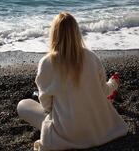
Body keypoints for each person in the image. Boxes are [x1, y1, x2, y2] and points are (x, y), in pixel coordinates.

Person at [17, 12, 128, 151]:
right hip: (99, 130)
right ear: (77, 32)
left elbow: (46, 104)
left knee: (23, 104)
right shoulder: (91, 57)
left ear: (54, 34)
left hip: (67, 132)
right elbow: (103, 91)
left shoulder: (47, 62)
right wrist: (114, 83)